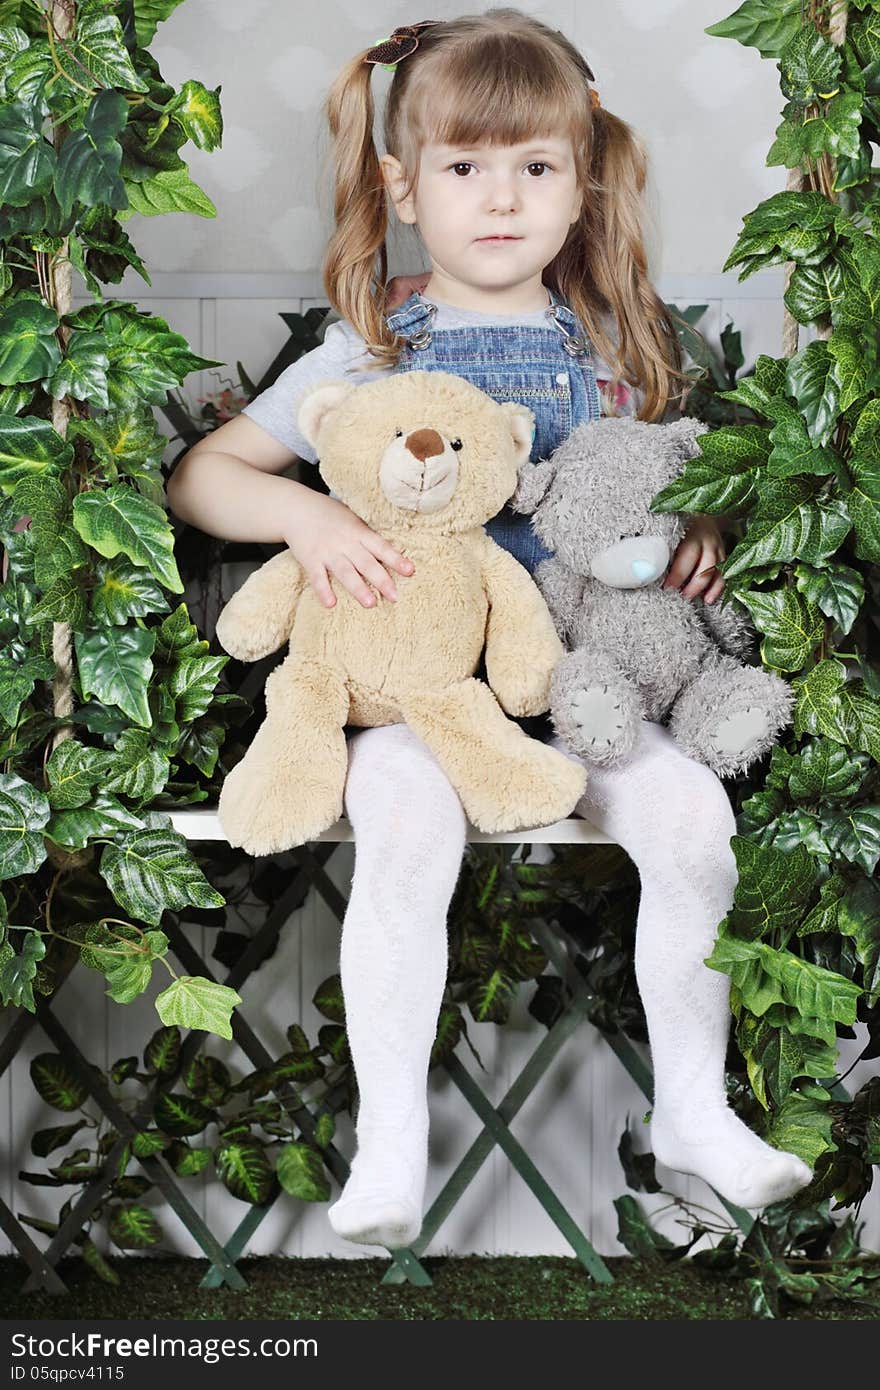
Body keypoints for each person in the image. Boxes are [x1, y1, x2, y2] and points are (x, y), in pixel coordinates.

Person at [166, 9, 812, 1248]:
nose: (499, 200)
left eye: (535, 167)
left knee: (693, 820)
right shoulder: (366, 348)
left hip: (582, 685)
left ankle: (690, 1109)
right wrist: (305, 516)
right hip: (416, 698)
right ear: (404, 186)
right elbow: (204, 481)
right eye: (463, 168)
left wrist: (703, 536)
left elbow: (667, 480)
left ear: (583, 185)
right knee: (405, 827)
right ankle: (393, 1143)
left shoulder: (622, 348)